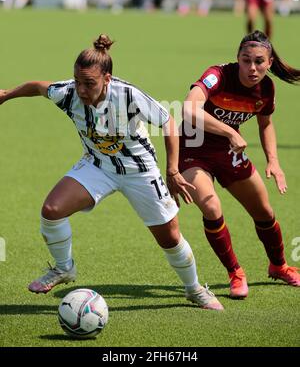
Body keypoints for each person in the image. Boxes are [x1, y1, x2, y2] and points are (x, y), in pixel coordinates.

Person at [0, 34, 223, 311]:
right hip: (98, 164)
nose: (81, 89)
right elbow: (37, 87)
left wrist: (173, 170)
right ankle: (63, 268)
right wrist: (7, 95)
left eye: (89, 83)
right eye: (78, 81)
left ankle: (194, 290)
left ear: (107, 78)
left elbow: (168, 121)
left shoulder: (128, 95)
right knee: (51, 210)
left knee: (169, 237)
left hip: (139, 171)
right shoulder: (68, 92)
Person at [179, 30, 300, 298]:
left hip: (228, 152)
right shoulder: (218, 75)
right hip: (192, 150)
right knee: (211, 206)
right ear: (237, 59)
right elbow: (188, 109)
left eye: (259, 61)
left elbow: (265, 123)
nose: (252, 68)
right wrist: (230, 131)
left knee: (264, 212)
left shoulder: (266, 88)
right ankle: (235, 272)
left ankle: (279, 266)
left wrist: (274, 161)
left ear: (269, 63)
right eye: (246, 60)